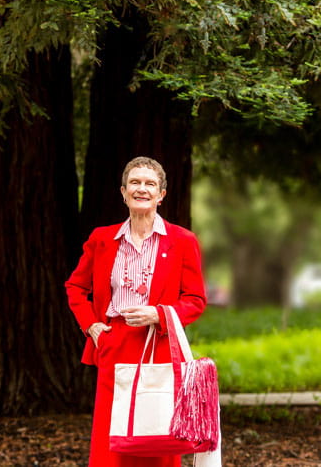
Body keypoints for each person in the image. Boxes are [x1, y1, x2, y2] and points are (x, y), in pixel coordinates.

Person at [65, 156, 207, 466]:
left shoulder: (183, 241)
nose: (142, 189)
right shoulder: (102, 239)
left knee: (158, 440)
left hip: (159, 347)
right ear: (123, 191)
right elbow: (75, 287)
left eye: (150, 184)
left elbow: (195, 299)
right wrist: (91, 326)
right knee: (111, 444)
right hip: (113, 346)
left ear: (161, 194)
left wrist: (159, 314)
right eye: (135, 183)